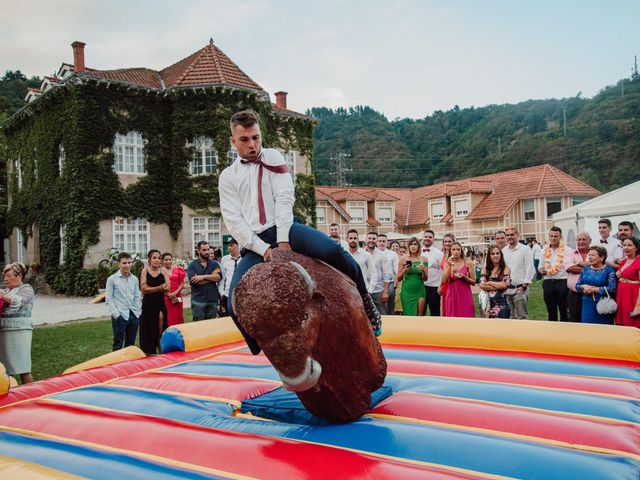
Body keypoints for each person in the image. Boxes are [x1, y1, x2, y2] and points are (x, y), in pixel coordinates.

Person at [219, 109, 382, 353]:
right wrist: (264, 251)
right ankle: (261, 346)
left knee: (334, 252)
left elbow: (285, 199)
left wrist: (284, 241)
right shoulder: (227, 177)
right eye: (245, 139)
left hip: (286, 228)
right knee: (233, 304)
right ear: (234, 142)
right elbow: (234, 222)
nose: (252, 144)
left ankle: (364, 297)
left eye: (256, 137)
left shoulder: (274, 157)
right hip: (255, 243)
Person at [0, 262, 35, 384]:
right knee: (4, 369)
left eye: (9, 276)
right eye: (5, 276)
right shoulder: (5, 291)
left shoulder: (26, 289)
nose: (5, 279)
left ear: (19, 275)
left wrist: (3, 297)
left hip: (20, 331)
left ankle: (30, 394)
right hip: (3, 331)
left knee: (23, 366)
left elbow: (20, 301)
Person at [105, 252, 142, 351]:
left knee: (130, 345)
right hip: (120, 316)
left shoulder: (134, 279)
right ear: (119, 264)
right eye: (124, 263)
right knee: (118, 344)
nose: (127, 265)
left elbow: (137, 296)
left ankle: (127, 366)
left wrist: (138, 312)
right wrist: (116, 315)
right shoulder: (111, 279)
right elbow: (109, 299)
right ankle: (116, 366)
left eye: (129, 262)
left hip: (134, 315)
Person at [575, 246, 617, 324]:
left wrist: (595, 289)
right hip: (587, 303)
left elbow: (612, 288)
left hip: (603, 303)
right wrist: (583, 286)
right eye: (589, 255)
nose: (590, 257)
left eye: (593, 255)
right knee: (588, 328)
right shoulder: (585, 269)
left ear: (602, 257)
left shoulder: (609, 270)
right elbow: (577, 286)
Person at [139, 249, 170, 354]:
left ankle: (162, 351)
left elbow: (168, 288)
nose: (157, 260)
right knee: (149, 329)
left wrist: (152, 289)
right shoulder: (145, 271)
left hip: (160, 303)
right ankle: (149, 352)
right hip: (148, 304)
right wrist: (160, 287)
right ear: (149, 259)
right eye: (154, 258)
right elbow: (143, 289)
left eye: (159, 258)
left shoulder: (164, 271)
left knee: (161, 328)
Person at [539, 226, 569, 322]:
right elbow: (540, 266)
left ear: (560, 237)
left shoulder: (567, 250)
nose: (553, 238)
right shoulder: (544, 250)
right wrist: (541, 270)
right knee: (551, 311)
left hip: (562, 282)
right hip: (548, 282)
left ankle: (564, 332)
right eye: (551, 236)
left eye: (556, 236)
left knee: (564, 310)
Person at [187, 241, 222, 321]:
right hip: (198, 301)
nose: (207, 252)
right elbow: (195, 282)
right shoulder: (192, 265)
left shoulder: (214, 264)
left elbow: (218, 277)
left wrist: (202, 277)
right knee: (198, 327)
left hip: (212, 300)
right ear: (198, 251)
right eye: (204, 250)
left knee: (211, 326)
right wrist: (211, 278)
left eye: (208, 249)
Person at [442, 241, 476, 317]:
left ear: (461, 251)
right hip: (452, 294)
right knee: (452, 318)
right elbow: (444, 280)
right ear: (450, 251)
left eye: (458, 249)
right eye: (453, 250)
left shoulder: (468, 263)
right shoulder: (447, 263)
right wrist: (450, 266)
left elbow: (473, 282)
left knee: (467, 315)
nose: (456, 252)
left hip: (465, 293)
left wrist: (464, 277)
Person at [563, 232, 591, 322]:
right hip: (574, 295)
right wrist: (591, 268)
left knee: (590, 320)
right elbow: (569, 268)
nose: (581, 242)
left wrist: (580, 265)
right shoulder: (570, 253)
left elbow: (600, 265)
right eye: (579, 239)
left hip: (591, 294)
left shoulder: (595, 253)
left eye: (584, 239)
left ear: (590, 241)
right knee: (574, 320)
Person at [397, 237, 428, 315]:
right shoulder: (403, 259)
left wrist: (423, 271)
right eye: (411, 244)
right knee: (408, 315)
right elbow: (398, 278)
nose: (413, 246)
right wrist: (405, 270)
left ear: (418, 246)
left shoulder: (424, 259)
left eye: (415, 244)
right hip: (407, 291)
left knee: (419, 316)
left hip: (419, 290)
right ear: (408, 246)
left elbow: (425, 279)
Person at [479, 245, 511, 318]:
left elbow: (505, 285)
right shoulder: (485, 269)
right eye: (492, 254)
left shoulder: (505, 269)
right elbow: (482, 285)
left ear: (501, 255)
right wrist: (499, 286)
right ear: (489, 256)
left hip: (502, 305)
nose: (495, 256)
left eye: (497, 253)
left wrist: (490, 282)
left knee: (502, 327)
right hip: (487, 305)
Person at [365, 231, 392, 316]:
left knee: (382, 314)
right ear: (366, 239)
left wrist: (385, 292)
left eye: (373, 239)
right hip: (364, 290)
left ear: (376, 240)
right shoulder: (361, 254)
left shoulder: (382, 255)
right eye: (369, 238)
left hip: (378, 291)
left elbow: (387, 274)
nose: (371, 240)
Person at [615, 237, 640, 327]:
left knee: (633, 322)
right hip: (621, 294)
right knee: (622, 323)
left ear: (636, 247)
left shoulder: (639, 260)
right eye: (624, 245)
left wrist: (638, 306)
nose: (626, 247)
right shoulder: (624, 261)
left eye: (629, 245)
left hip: (633, 295)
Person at [422, 230, 443, 316]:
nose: (427, 238)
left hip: (434, 286)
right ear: (423, 238)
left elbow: (442, 271)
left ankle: (436, 328)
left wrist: (440, 286)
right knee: (420, 311)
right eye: (426, 236)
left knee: (434, 311)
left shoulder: (439, 253)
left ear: (433, 239)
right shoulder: (417, 251)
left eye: (430, 237)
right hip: (420, 285)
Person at [219, 238, 242, 316]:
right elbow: (222, 279)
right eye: (228, 246)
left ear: (238, 246)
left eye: (231, 245)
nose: (229, 248)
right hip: (227, 294)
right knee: (229, 317)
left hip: (241, 294)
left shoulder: (244, 258)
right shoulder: (224, 259)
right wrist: (222, 293)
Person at [163, 252, 186, 327]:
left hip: (178, 295)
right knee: (170, 318)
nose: (168, 261)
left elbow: (181, 283)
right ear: (162, 261)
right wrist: (169, 294)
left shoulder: (178, 269)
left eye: (170, 259)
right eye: (166, 260)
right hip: (166, 297)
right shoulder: (161, 271)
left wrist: (175, 293)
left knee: (179, 317)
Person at [378, 233, 398, 316]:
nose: (381, 243)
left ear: (386, 242)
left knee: (390, 304)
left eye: (383, 241)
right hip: (377, 283)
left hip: (390, 282)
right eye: (380, 241)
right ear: (376, 242)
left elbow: (396, 269)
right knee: (379, 305)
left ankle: (391, 318)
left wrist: (396, 282)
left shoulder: (392, 254)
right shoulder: (372, 254)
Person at [438, 233, 455, 316]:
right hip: (444, 284)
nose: (447, 243)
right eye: (445, 241)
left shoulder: (455, 255)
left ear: (453, 242)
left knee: (452, 307)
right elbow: (443, 272)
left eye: (449, 241)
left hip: (452, 284)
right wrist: (440, 285)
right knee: (445, 308)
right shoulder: (444, 255)